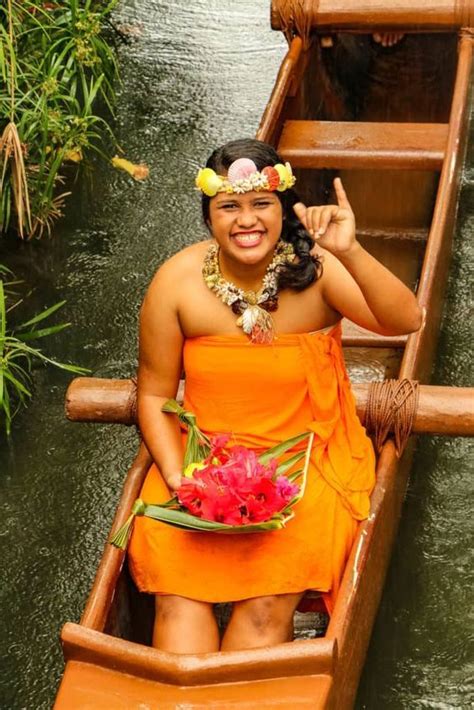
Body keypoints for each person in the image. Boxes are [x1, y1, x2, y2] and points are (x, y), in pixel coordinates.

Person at [128, 138, 422, 655]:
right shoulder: (176, 282)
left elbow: (406, 320)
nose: (247, 221)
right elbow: (153, 395)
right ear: (209, 217)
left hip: (306, 467)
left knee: (263, 609)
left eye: (261, 204)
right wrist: (181, 478)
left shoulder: (318, 272)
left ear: (282, 208)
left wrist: (349, 248)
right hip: (202, 462)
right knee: (178, 603)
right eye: (229, 207)